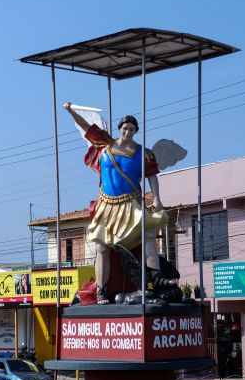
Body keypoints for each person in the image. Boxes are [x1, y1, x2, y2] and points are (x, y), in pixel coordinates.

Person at [65, 102, 178, 304]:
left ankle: (156, 278)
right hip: (106, 206)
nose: (128, 131)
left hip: (131, 204)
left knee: (149, 234)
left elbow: (152, 175)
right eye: (125, 128)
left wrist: (158, 198)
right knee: (101, 248)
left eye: (132, 129)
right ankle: (101, 291)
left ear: (135, 131)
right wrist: (71, 111)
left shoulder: (144, 153)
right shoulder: (105, 144)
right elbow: (86, 127)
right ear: (120, 129)